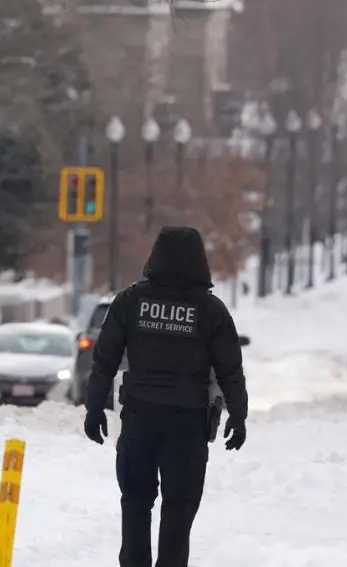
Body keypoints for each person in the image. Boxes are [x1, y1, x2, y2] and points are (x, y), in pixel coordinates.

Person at [83, 225, 248, 567]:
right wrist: (238, 414)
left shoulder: (131, 301)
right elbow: (230, 367)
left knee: (136, 502)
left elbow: (105, 359)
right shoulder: (211, 311)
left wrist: (95, 407)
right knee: (179, 508)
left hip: (140, 418)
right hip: (187, 425)